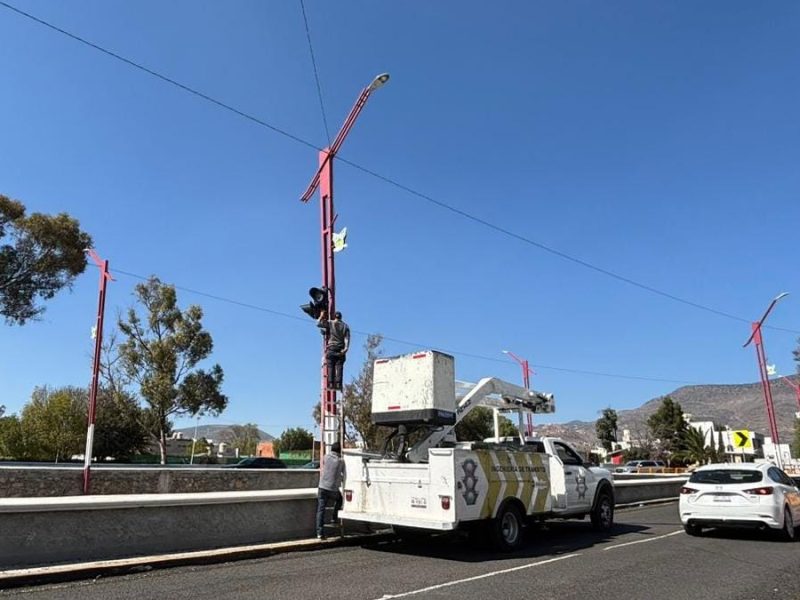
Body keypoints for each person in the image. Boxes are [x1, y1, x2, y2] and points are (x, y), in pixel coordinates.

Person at [316, 441, 346, 539]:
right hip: (332, 489)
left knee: (321, 510)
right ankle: (334, 518)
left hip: (321, 487)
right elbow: (343, 474)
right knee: (340, 499)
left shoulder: (325, 457)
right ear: (339, 451)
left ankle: (319, 533)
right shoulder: (341, 461)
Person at [317, 310, 350, 391]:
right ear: (341, 317)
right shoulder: (345, 326)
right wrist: (346, 348)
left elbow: (318, 324)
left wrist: (321, 316)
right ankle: (338, 384)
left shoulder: (330, 323)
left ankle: (331, 383)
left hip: (331, 348)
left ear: (335, 316)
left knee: (330, 366)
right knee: (339, 366)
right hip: (340, 349)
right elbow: (347, 338)